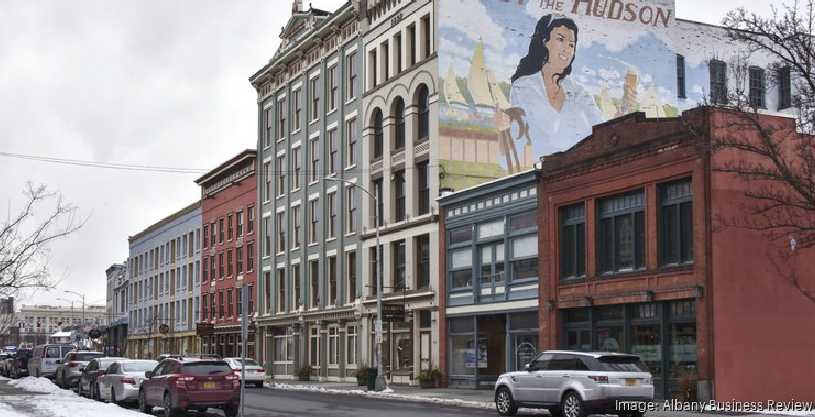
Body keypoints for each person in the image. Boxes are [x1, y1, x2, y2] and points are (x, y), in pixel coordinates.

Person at [508, 14, 603, 159]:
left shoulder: (580, 92)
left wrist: (623, 108)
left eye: (572, 44)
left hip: (578, 169)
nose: (567, 49)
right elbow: (548, 127)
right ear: (544, 42)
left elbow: (602, 129)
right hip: (541, 172)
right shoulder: (524, 87)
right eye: (560, 39)